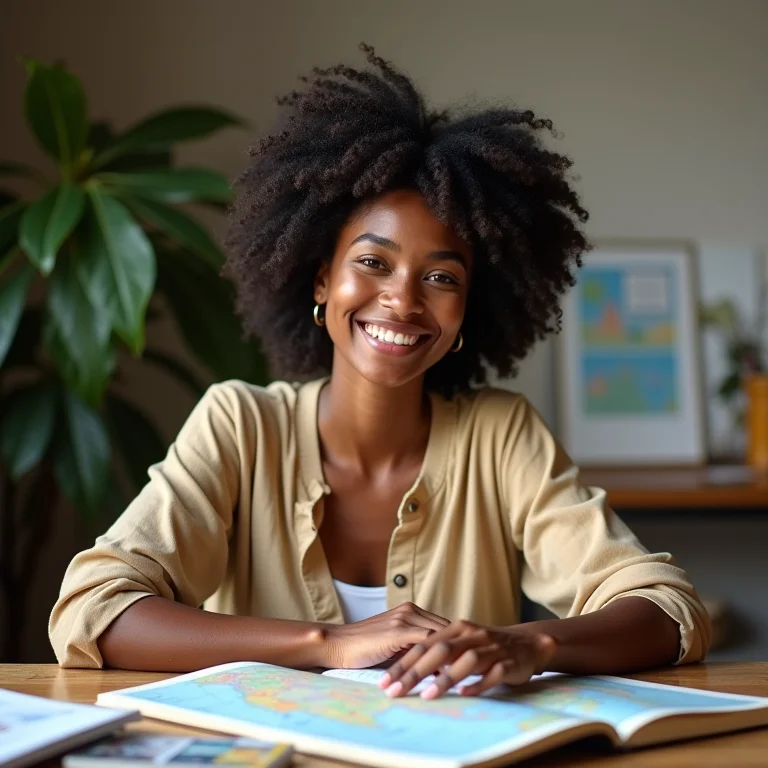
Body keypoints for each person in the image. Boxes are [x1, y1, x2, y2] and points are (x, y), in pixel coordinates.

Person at [49, 45, 710, 700]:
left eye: (441, 277)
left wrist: (527, 643)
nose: (402, 299)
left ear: (467, 311)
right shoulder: (241, 426)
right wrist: (327, 644)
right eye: (373, 262)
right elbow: (94, 609)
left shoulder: (500, 436)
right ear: (321, 278)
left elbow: (665, 605)